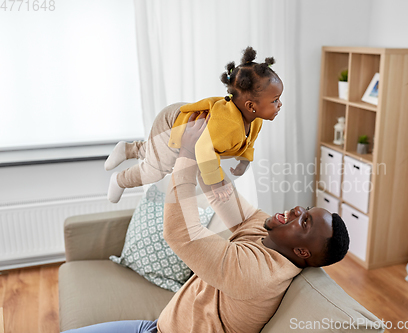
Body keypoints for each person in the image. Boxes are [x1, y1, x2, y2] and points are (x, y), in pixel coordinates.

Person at [63, 112, 349, 333]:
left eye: (305, 222)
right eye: (306, 209)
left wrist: (185, 156)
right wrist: (204, 146)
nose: (298, 209)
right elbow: (219, 190)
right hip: (155, 327)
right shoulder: (264, 231)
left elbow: (180, 233)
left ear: (302, 252)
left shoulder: (257, 273)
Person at [105, 46, 283, 203]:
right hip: (172, 124)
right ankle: (119, 180)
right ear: (251, 106)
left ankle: (128, 150)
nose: (280, 104)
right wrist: (216, 183)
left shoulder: (255, 119)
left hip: (181, 118)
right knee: (156, 169)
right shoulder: (226, 124)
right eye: (275, 100)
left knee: (157, 150)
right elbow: (204, 151)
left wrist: (244, 161)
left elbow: (248, 141)